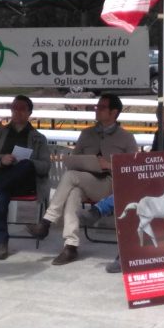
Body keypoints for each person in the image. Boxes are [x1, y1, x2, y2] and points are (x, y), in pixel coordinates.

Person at [79, 100, 164, 273]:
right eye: (160, 124)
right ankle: (99, 213)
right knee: (131, 190)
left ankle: (107, 222)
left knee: (140, 197)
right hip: (158, 181)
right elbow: (154, 157)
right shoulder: (161, 133)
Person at [26, 94, 138, 265]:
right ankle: (70, 246)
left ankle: (47, 221)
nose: (97, 110)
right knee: (73, 193)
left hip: (109, 184)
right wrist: (84, 162)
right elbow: (74, 159)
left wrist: (108, 165)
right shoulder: (87, 133)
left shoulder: (126, 138)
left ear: (114, 112)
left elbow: (133, 170)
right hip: (85, 179)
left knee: (71, 178)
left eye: (102, 107)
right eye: (97, 106)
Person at [0, 95, 51, 260]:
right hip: (3, 176)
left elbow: (46, 166)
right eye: (14, 108)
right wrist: (1, 159)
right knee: (0, 195)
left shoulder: (38, 138)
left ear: (29, 112)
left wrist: (28, 161)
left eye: (22, 109)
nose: (17, 112)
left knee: (25, 166)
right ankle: (1, 243)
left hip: (26, 181)